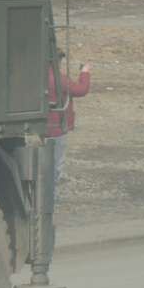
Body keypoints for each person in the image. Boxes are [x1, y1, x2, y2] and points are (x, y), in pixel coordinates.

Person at [40, 52, 93, 267]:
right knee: (56, 168)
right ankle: (49, 200)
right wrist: (85, 73)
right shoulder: (58, 79)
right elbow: (81, 90)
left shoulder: (38, 78)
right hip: (58, 129)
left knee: (45, 165)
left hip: (43, 129)